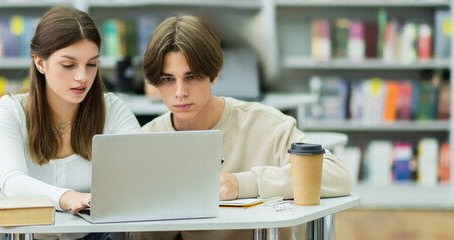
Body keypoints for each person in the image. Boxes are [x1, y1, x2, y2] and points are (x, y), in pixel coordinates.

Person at [128, 16, 352, 240]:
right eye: (168, 79)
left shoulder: (263, 123)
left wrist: (243, 184)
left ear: (214, 74)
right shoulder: (147, 138)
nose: (180, 92)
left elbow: (338, 175)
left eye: (192, 77)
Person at [0, 6, 142, 240]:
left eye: (92, 64)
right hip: (25, 234)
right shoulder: (8, 111)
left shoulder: (112, 108)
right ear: (40, 63)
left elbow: (145, 169)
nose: (82, 76)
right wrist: (68, 197)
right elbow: (12, 182)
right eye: (69, 65)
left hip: (94, 235)